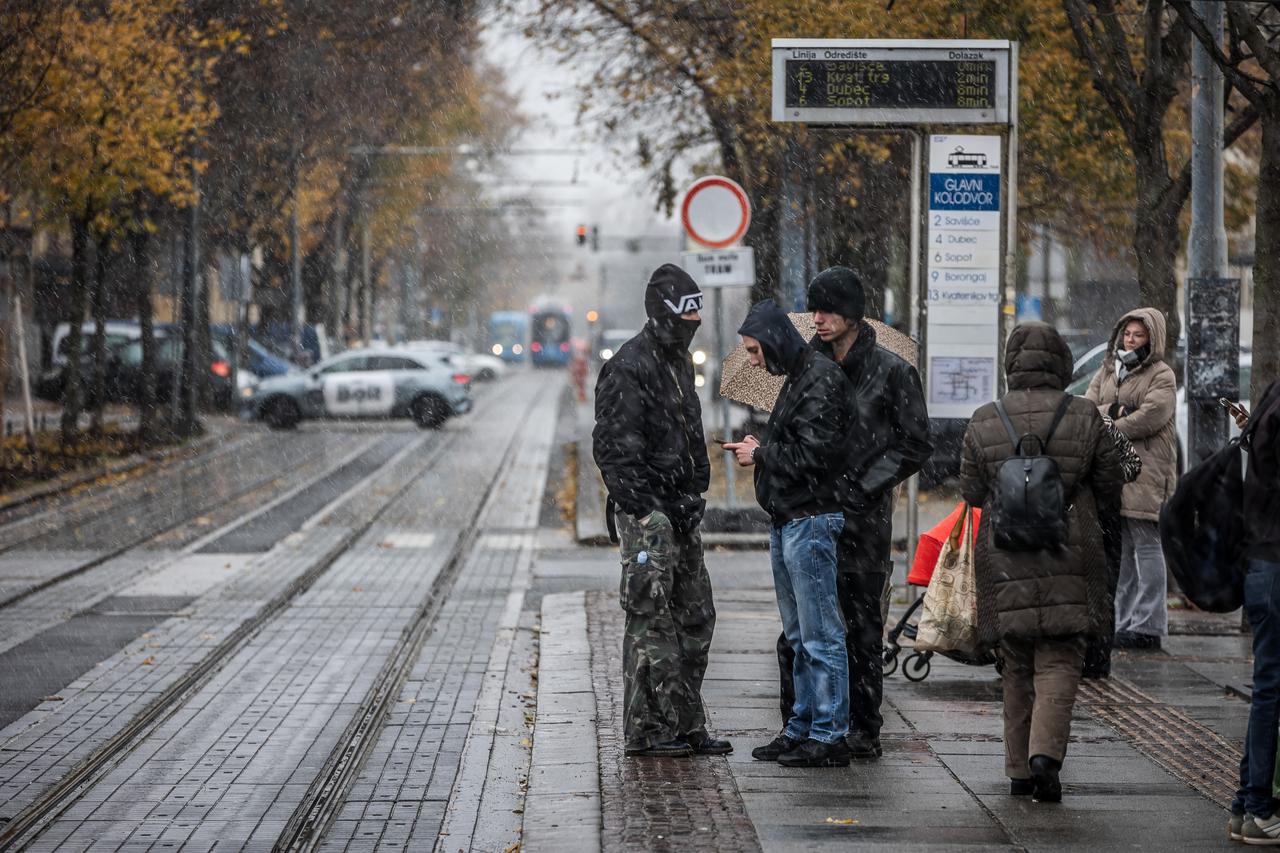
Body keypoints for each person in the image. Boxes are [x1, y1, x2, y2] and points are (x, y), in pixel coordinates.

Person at [960, 322, 1125, 803]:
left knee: (1015, 662)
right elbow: (1111, 485)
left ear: (1011, 364)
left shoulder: (986, 417)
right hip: (1070, 549)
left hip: (1005, 553)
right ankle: (1045, 757)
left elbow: (971, 490)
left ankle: (1017, 770)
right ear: (1062, 364)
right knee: (1060, 658)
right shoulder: (1084, 414)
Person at [773, 266, 932, 759]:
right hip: (809, 513)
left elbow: (915, 443)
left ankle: (863, 727)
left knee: (861, 627)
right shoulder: (805, 367)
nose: (817, 319)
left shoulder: (892, 371)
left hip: (862, 519)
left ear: (852, 314)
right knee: (802, 627)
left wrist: (863, 485)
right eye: (813, 308)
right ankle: (803, 723)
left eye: (828, 310)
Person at [592, 264, 730, 759]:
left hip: (681, 512)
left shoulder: (675, 363)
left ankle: (685, 722)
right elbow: (613, 450)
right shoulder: (629, 367)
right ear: (663, 314)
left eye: (696, 318)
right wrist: (648, 510)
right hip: (649, 518)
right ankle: (648, 730)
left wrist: (693, 494)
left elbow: (688, 437)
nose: (692, 326)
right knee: (651, 623)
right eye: (685, 317)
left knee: (695, 618)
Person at [725, 298, 856, 768]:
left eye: (755, 351)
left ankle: (828, 733)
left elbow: (816, 456)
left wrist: (760, 456)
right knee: (801, 635)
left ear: (774, 341)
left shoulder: (818, 379)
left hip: (810, 520)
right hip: (792, 519)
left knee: (819, 634)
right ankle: (803, 727)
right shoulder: (802, 379)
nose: (756, 361)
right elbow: (803, 447)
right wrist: (763, 447)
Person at [1085, 308, 1177, 650]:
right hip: (1115, 472)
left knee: (1147, 545)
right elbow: (1088, 406)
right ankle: (1122, 620)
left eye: (1138, 335)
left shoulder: (1161, 374)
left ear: (1151, 339)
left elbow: (1150, 417)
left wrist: (1110, 421)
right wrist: (1116, 412)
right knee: (1120, 549)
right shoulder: (1109, 368)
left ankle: (1149, 624)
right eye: (1127, 334)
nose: (1131, 340)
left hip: (1147, 470)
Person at [1230, 379, 1280, 843]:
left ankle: (1246, 804)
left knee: (1267, 687)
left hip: (1262, 561)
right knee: (1270, 691)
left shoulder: (1270, 399)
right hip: (1276, 564)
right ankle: (1260, 808)